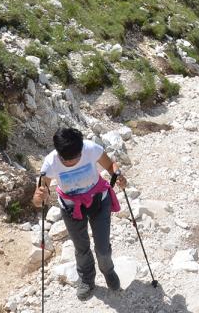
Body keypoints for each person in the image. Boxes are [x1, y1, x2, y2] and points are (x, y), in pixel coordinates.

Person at [32, 127, 126, 301]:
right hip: (70, 207)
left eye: (74, 158)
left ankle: (108, 271)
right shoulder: (50, 162)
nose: (69, 163)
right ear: (58, 153)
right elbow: (39, 198)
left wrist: (118, 174)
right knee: (81, 247)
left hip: (98, 200)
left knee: (102, 247)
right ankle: (86, 279)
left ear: (81, 149)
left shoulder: (90, 148)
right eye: (65, 159)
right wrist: (39, 197)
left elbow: (111, 165)